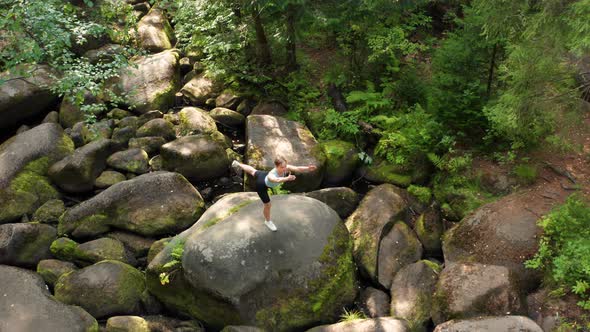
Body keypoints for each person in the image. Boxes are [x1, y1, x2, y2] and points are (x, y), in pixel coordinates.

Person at [231, 156, 317, 231]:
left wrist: (308, 168)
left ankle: (238, 164)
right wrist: (287, 178)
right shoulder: (271, 174)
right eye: (282, 167)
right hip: (261, 185)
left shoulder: (285, 167)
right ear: (277, 166)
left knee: (253, 171)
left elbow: (297, 168)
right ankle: (267, 222)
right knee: (268, 205)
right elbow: (277, 180)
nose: (285, 168)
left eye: (285, 166)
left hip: (263, 176)